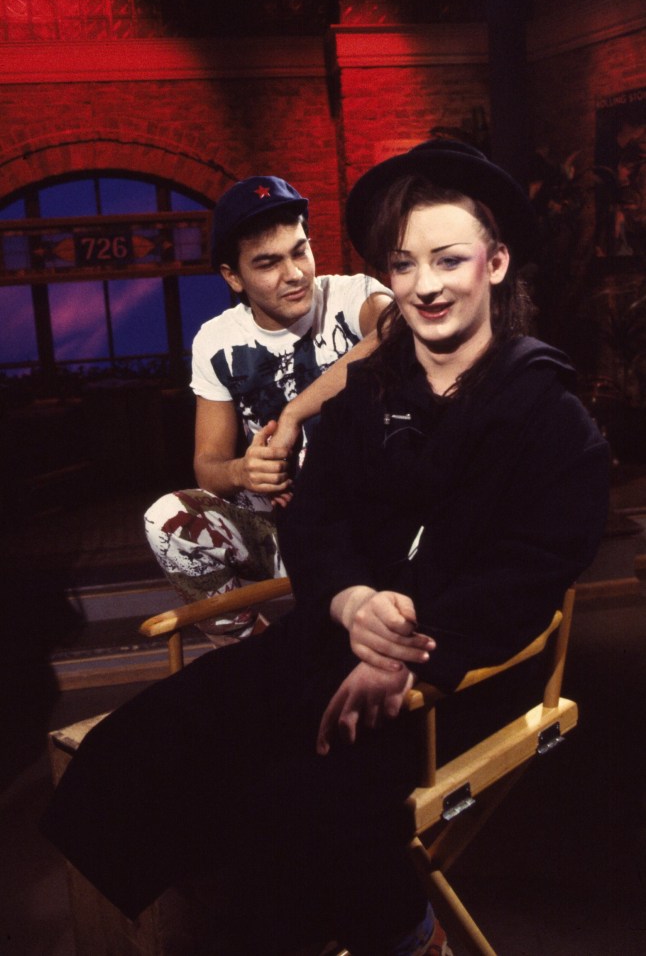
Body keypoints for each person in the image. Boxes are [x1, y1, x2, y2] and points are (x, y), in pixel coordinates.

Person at [41, 141, 610, 956]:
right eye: (404, 264)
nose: (426, 285)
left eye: (450, 259)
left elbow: (532, 571)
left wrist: (404, 651)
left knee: (294, 803)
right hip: (335, 630)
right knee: (146, 745)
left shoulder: (552, 417)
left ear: (496, 263)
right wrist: (347, 600)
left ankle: (405, 934)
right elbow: (315, 520)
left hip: (464, 667)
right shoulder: (366, 397)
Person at [144, 175, 392, 643]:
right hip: (286, 532)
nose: (295, 273)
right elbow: (208, 465)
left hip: (372, 528)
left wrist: (297, 410)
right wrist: (244, 471)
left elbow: (400, 331)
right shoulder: (217, 340)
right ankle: (257, 655)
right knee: (166, 520)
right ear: (233, 277)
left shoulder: (353, 296)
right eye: (268, 263)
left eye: (300, 251)